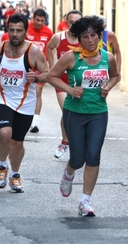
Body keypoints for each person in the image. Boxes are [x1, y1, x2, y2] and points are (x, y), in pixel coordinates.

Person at [47, 15, 120, 216]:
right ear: (79, 39)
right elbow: (51, 76)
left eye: (93, 35)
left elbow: (115, 75)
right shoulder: (71, 57)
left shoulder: (108, 58)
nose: (90, 40)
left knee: (93, 156)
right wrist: (70, 90)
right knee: (77, 159)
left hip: (98, 113)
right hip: (75, 113)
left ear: (99, 36)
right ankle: (69, 173)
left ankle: (85, 201)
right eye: (85, 36)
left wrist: (108, 87)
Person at [0, 13, 49, 193]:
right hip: (2, 97)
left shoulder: (34, 51)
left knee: (17, 143)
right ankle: (2, 165)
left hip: (26, 102)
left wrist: (36, 77)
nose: (14, 34)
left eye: (19, 31)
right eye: (11, 30)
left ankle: (15, 175)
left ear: (25, 31)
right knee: (5, 133)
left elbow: (47, 73)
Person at [46, 10, 83, 159]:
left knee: (78, 113)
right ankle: (65, 142)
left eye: (77, 22)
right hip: (62, 81)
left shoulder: (86, 39)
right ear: (66, 23)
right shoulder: (58, 37)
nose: (74, 25)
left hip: (80, 82)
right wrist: (51, 66)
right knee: (67, 110)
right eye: (71, 22)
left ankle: (78, 142)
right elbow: (49, 47)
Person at [25, 8, 54, 133]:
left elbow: (51, 49)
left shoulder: (48, 32)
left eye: (42, 21)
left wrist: (52, 68)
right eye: (37, 20)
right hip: (25, 66)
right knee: (24, 92)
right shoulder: (26, 28)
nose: (39, 23)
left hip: (41, 67)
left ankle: (34, 123)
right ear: (33, 18)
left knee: (38, 92)